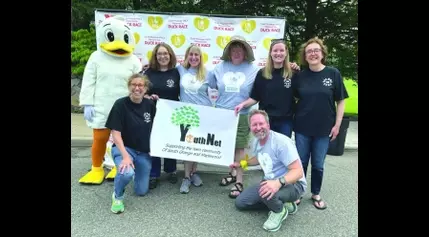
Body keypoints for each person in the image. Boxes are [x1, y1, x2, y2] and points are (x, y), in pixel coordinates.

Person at [78, 15, 142, 184]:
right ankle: (96, 168)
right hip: (101, 106)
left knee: (122, 139)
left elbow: (139, 83)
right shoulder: (96, 57)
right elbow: (88, 81)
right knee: (100, 138)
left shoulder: (134, 60)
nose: (119, 44)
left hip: (125, 108)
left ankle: (117, 166)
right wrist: (87, 103)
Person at [293, 37, 349, 210]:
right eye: (309, 51)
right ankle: (299, 192)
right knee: (301, 162)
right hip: (302, 127)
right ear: (305, 55)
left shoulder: (333, 73)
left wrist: (338, 124)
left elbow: (341, 100)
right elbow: (292, 97)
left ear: (322, 53)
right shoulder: (300, 76)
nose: (313, 53)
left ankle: (316, 193)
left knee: (318, 164)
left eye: (316, 50)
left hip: (324, 129)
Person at [233, 109, 307, 232]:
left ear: (268, 125)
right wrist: (242, 164)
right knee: (241, 202)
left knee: (267, 193)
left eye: (261, 124)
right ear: (250, 127)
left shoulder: (281, 142)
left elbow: (298, 172)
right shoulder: (257, 140)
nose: (258, 128)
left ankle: (279, 211)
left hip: (293, 184)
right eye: (254, 125)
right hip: (270, 181)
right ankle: (284, 202)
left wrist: (277, 183)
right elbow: (260, 157)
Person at [207, 35, 260, 198]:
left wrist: (244, 104)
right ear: (229, 53)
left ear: (245, 53)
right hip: (224, 113)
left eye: (240, 50)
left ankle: (239, 181)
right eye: (233, 50)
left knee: (239, 148)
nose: (236, 52)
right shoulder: (219, 68)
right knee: (228, 146)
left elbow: (258, 94)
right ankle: (231, 173)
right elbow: (210, 84)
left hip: (243, 114)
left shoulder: (253, 69)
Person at [105, 74, 156, 214]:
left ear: (145, 89)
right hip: (125, 149)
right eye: (134, 85)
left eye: (140, 85)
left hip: (143, 153)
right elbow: (115, 133)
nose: (137, 88)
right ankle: (117, 195)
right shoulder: (120, 104)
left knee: (141, 191)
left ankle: (133, 173)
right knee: (126, 172)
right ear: (129, 86)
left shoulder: (150, 105)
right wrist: (126, 156)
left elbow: (157, 128)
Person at [235, 39, 298, 138]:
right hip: (265, 121)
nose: (278, 53)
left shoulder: (293, 73)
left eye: (281, 50)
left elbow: (300, 95)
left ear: (286, 53)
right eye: (275, 50)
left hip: (285, 122)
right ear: (270, 53)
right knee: (264, 151)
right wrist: (243, 104)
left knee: (282, 151)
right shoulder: (262, 73)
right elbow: (255, 97)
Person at [177, 44, 213, 194]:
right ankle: (186, 177)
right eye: (191, 54)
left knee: (197, 145)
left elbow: (219, 89)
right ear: (187, 56)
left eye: (196, 55)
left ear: (200, 57)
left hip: (203, 113)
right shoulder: (180, 69)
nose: (193, 58)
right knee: (188, 146)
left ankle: (193, 173)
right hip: (186, 114)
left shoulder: (208, 73)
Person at [144, 43, 181, 189]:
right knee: (155, 142)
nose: (162, 56)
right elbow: (142, 91)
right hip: (153, 113)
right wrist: (148, 96)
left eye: (165, 53)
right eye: (159, 54)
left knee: (170, 141)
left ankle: (171, 170)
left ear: (170, 55)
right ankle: (154, 173)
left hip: (172, 113)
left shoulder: (176, 72)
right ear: (155, 56)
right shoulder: (149, 73)